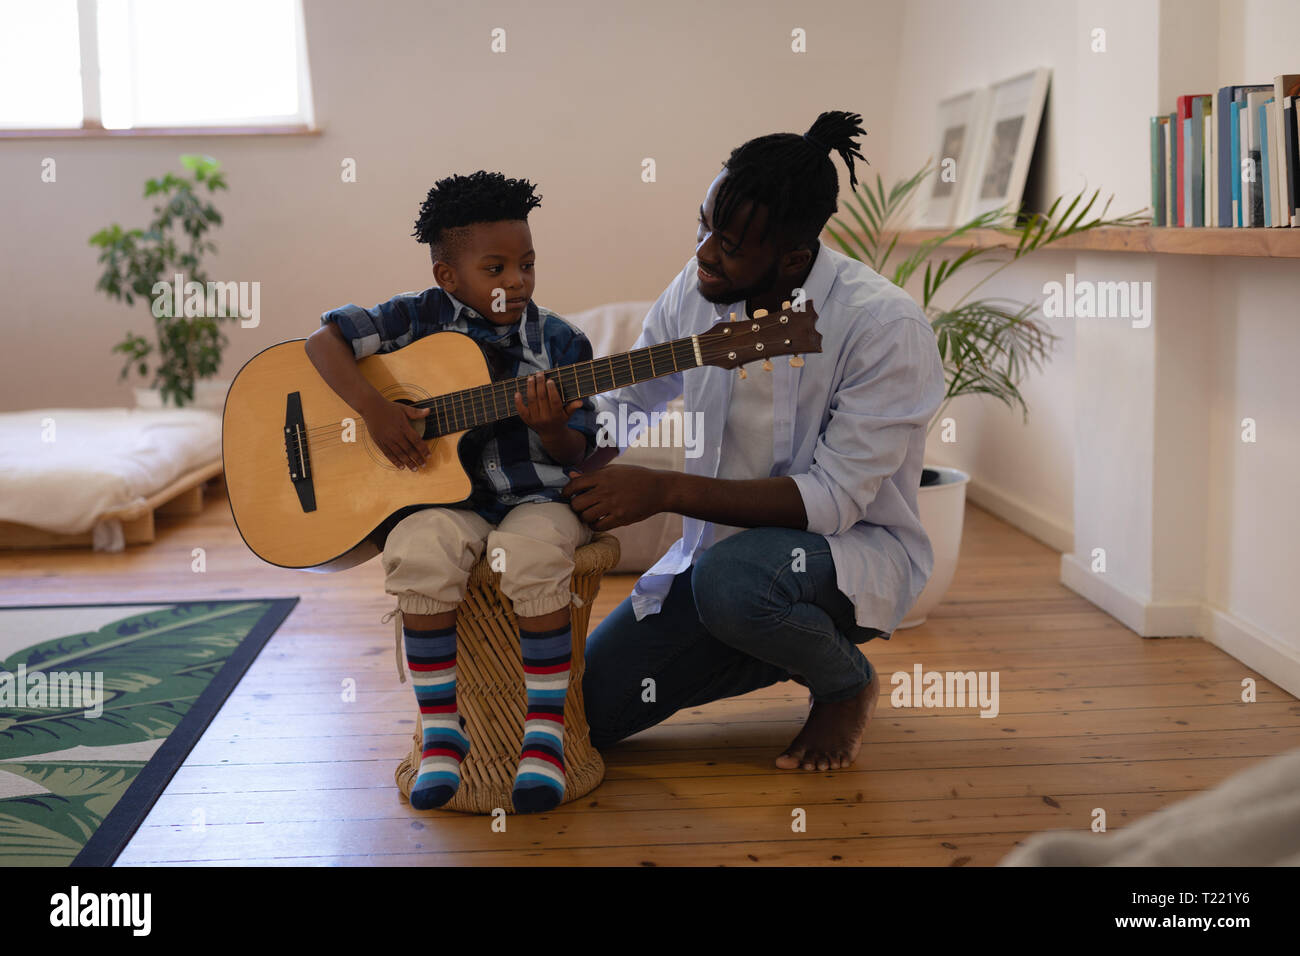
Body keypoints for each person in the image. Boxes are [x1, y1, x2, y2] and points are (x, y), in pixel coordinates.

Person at [565, 111, 946, 772]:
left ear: (793, 258)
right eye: (704, 225)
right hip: (711, 566)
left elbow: (832, 502)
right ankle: (741, 636)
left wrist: (663, 490)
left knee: (734, 582)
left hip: (847, 558)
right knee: (590, 716)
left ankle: (843, 682)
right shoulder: (698, 289)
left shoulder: (882, 326)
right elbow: (628, 407)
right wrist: (558, 430)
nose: (705, 253)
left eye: (731, 245)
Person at [304, 171, 598, 812]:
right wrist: (376, 411)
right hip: (447, 503)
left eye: (526, 264)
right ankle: (443, 729)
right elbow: (322, 343)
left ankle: (542, 736)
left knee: (531, 555)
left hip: (536, 499)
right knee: (416, 548)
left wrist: (552, 426)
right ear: (449, 276)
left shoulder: (562, 343)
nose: (516, 280)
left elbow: (581, 447)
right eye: (496, 267)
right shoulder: (414, 317)